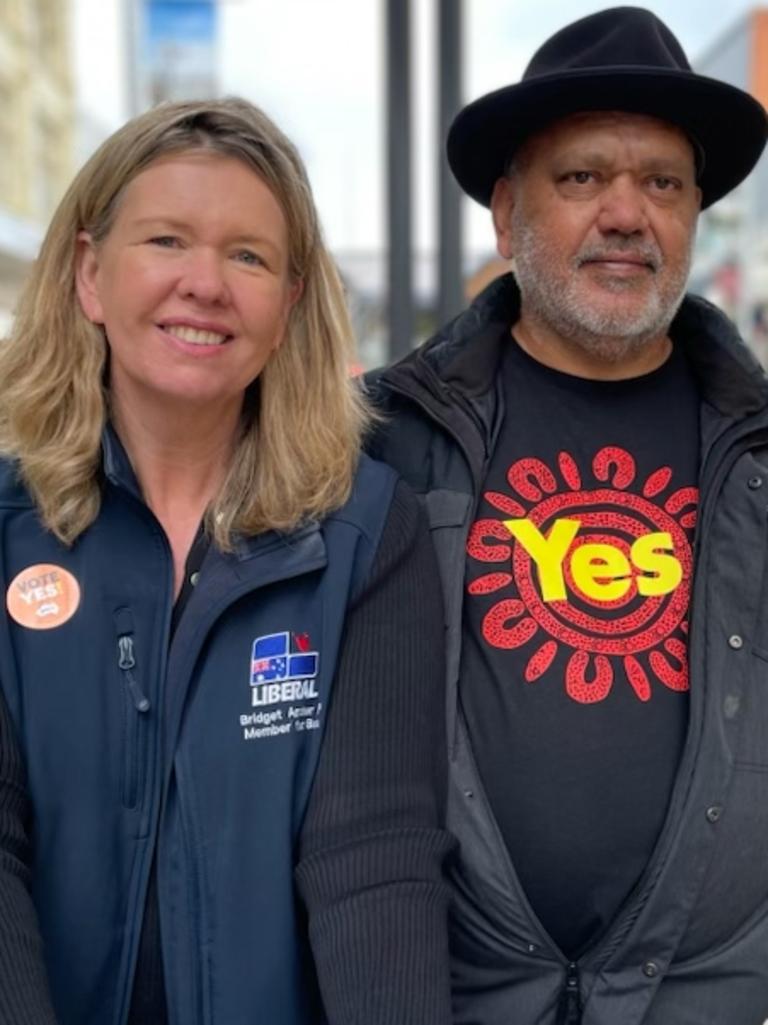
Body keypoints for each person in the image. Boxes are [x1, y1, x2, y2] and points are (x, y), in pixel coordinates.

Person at [0, 97, 452, 1025]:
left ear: (288, 306)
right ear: (89, 274)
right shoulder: (7, 522)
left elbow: (374, 861)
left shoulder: (365, 533)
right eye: (166, 240)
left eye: (248, 255)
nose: (205, 284)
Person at [368, 7, 768, 1024]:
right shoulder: (385, 440)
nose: (628, 213)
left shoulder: (760, 448)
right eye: (583, 177)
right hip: (463, 991)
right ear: (506, 216)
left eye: (664, 183)